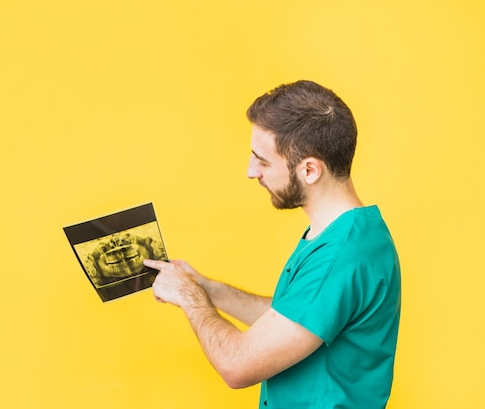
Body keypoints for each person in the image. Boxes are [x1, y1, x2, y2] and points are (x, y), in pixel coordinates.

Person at [144, 80, 401, 409]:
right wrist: (207, 288)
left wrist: (189, 298)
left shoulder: (340, 256)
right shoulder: (348, 234)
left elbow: (237, 366)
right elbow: (293, 319)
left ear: (309, 169)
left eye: (263, 161)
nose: (252, 172)